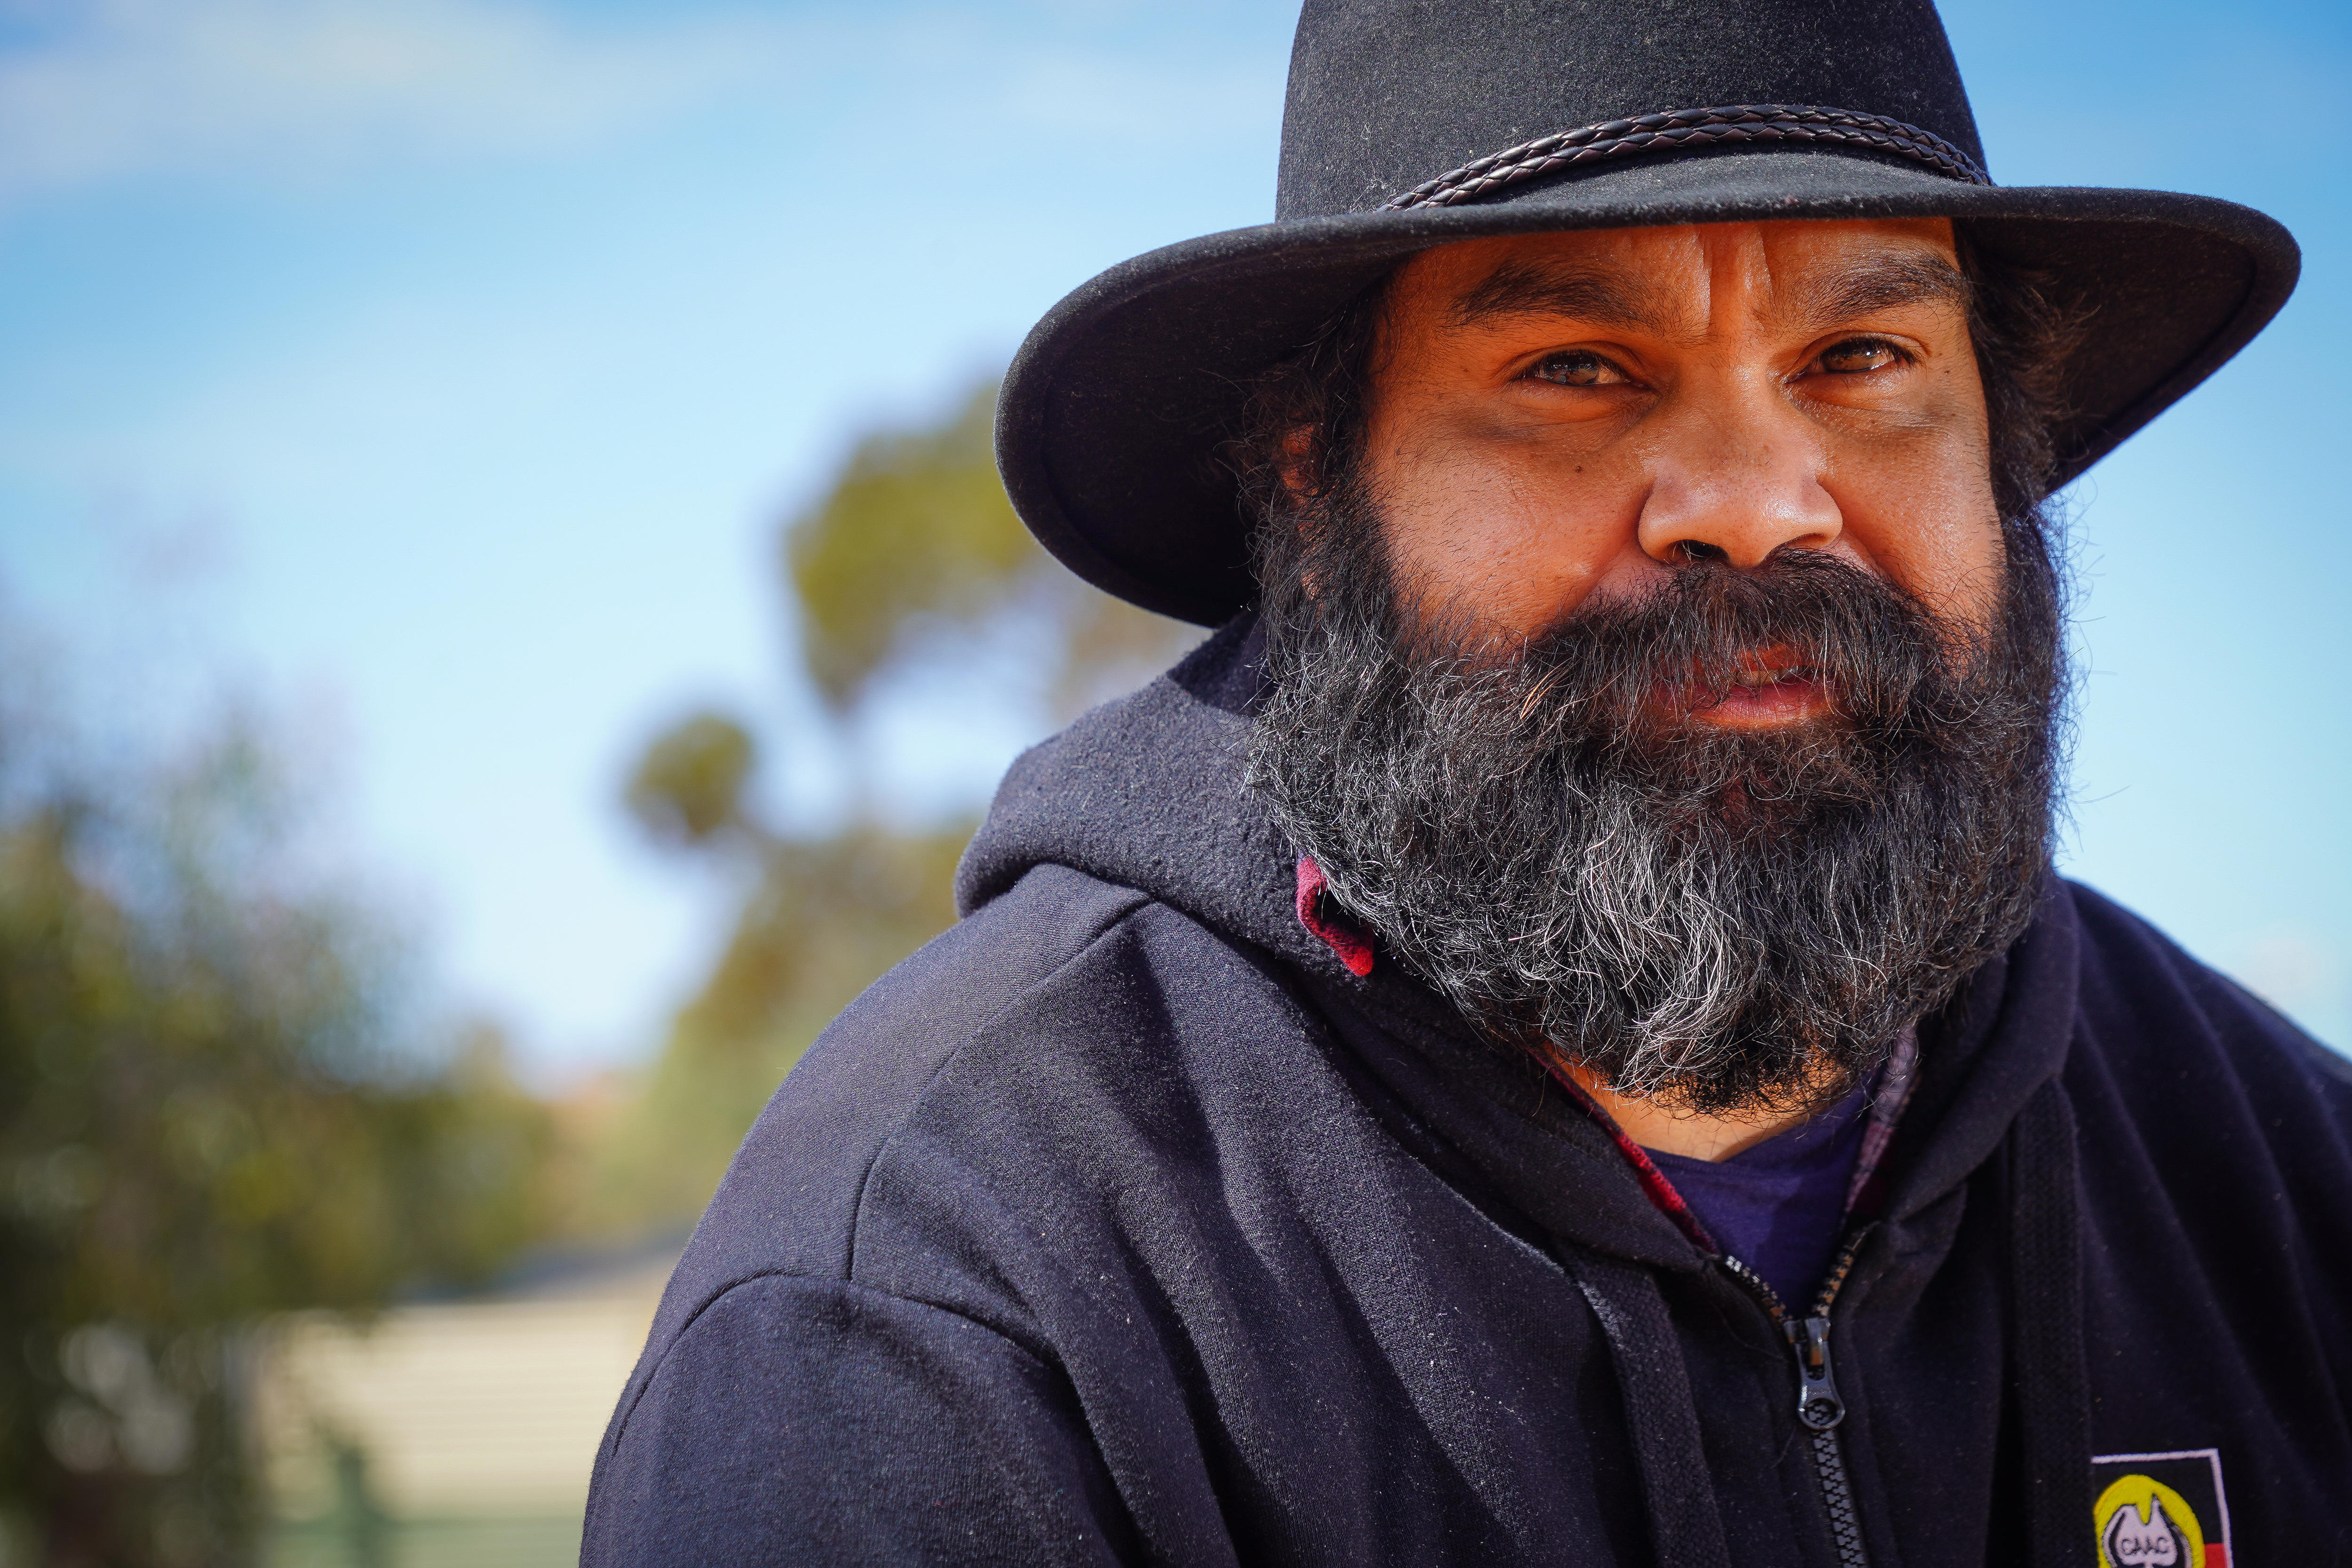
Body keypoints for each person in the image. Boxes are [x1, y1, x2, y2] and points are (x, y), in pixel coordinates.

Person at [583, 1, 2349, 1562]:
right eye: (1576, 371)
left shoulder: (2281, 1181)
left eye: (1863, 360)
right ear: (1314, 489)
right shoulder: (944, 1307)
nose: (1753, 494)